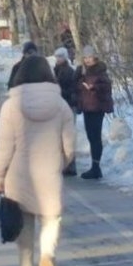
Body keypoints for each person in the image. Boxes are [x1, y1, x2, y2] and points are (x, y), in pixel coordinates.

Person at [0, 55, 75, 266]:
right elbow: (70, 146)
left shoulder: (11, 106)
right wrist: (61, 163)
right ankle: (47, 255)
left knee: (24, 228)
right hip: (49, 173)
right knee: (51, 219)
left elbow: (3, 147)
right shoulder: (61, 106)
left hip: (19, 175)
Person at [74, 45, 113, 180]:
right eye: (85, 57)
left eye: (89, 57)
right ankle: (94, 166)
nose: (87, 60)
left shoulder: (100, 70)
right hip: (86, 107)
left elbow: (106, 87)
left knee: (95, 137)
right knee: (91, 137)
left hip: (97, 107)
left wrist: (94, 87)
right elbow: (75, 85)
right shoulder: (82, 71)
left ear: (95, 57)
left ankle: (96, 167)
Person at [52, 47, 78, 175]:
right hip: (58, 106)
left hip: (67, 106)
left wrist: (60, 92)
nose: (58, 59)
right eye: (56, 56)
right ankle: (63, 164)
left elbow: (73, 90)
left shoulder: (69, 71)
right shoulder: (55, 71)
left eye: (60, 56)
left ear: (65, 57)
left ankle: (71, 165)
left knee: (68, 137)